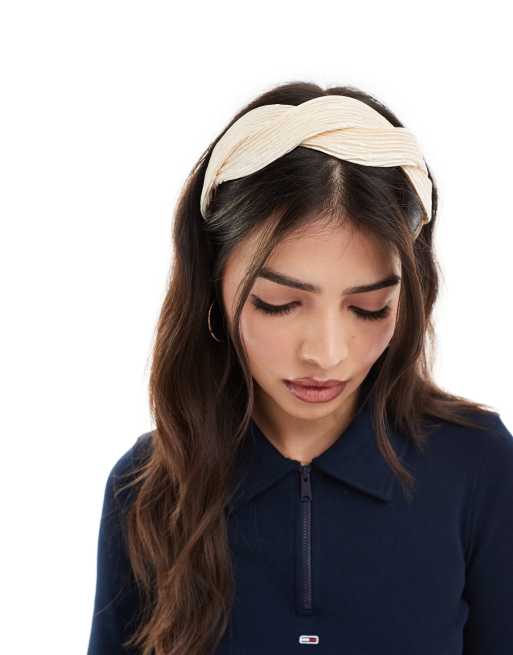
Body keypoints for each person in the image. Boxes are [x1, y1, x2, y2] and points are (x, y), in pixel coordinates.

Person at [86, 82, 513, 655]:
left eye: (369, 307)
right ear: (213, 282)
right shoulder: (146, 489)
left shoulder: (477, 465)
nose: (327, 353)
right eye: (279, 303)